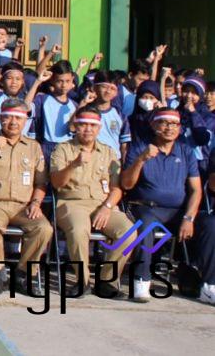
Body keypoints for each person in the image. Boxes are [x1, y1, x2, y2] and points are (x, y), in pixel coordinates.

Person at [0, 98, 53, 294]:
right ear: (0, 118)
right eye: (8, 117)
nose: (13, 122)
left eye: (18, 118)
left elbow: (41, 183)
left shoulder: (33, 147)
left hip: (24, 205)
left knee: (44, 229)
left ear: (25, 121)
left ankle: (22, 275)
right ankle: (0, 274)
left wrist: (35, 203)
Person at [120, 107, 203, 302]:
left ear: (180, 128)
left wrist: (189, 218)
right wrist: (141, 160)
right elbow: (126, 184)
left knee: (208, 225)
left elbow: (196, 190)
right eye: (164, 122)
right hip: (146, 207)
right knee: (146, 226)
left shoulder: (186, 152)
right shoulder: (140, 147)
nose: (169, 128)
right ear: (154, 124)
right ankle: (141, 280)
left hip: (178, 210)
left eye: (174, 124)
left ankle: (204, 282)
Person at [50, 108, 135, 296]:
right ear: (75, 126)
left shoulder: (108, 152)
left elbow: (116, 188)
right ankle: (83, 281)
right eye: (83, 124)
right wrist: (74, 164)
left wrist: (107, 207)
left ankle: (107, 281)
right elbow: (56, 183)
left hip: (102, 204)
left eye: (92, 125)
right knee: (79, 229)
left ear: (99, 128)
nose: (88, 129)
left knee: (129, 231)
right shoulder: (63, 148)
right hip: (71, 203)